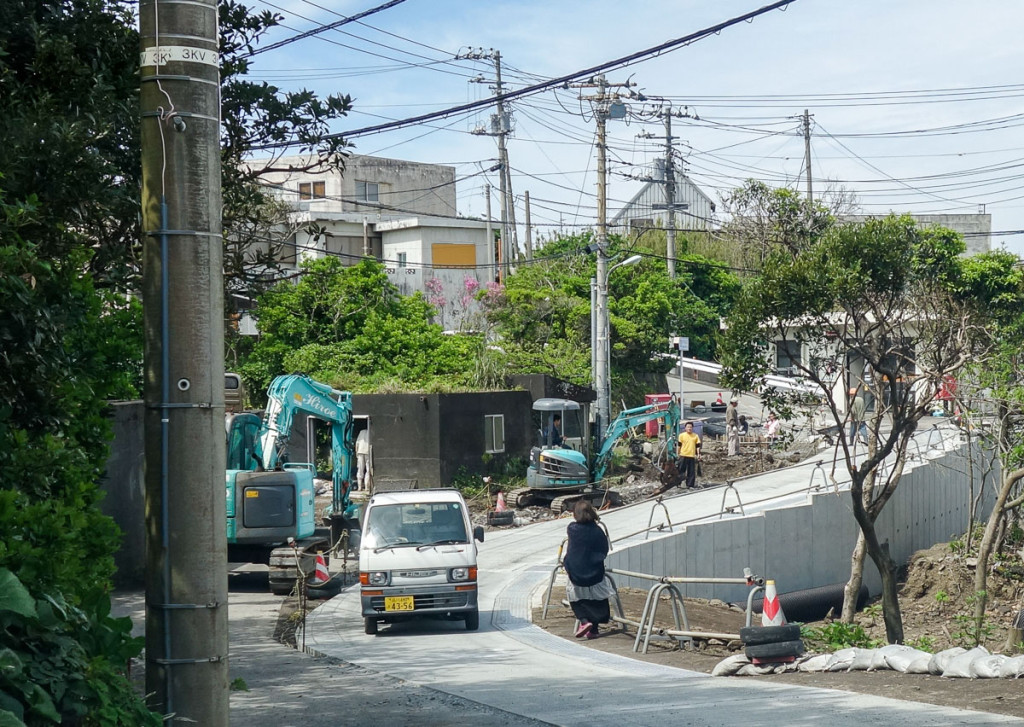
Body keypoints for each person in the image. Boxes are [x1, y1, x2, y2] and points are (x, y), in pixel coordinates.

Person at [562, 500, 614, 640]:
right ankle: (594, 630)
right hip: (595, 571)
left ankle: (584, 622)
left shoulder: (572, 529)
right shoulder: (598, 531)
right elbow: (604, 549)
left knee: (575, 598)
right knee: (596, 598)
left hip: (576, 571)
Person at [676, 421, 702, 489]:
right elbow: (679, 446)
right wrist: (678, 453)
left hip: (691, 455)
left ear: (692, 428)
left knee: (691, 472)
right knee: (681, 470)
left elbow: (698, 446)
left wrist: (698, 454)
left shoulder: (695, 436)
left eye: (690, 427)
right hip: (683, 455)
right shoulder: (681, 435)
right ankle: (678, 483)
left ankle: (690, 485)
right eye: (688, 427)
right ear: (685, 428)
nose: (689, 428)